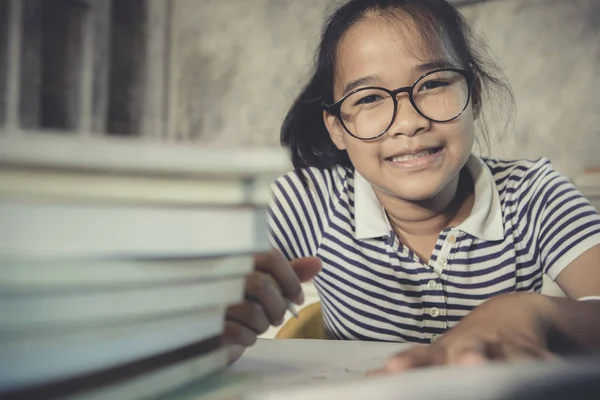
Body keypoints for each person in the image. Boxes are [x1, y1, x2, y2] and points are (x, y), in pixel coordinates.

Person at [222, 0, 600, 371]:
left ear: (475, 95)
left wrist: (531, 312)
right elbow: (194, 309)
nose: (408, 122)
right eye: (369, 97)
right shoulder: (308, 200)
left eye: (433, 83)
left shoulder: (533, 193)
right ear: (336, 127)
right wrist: (214, 324)